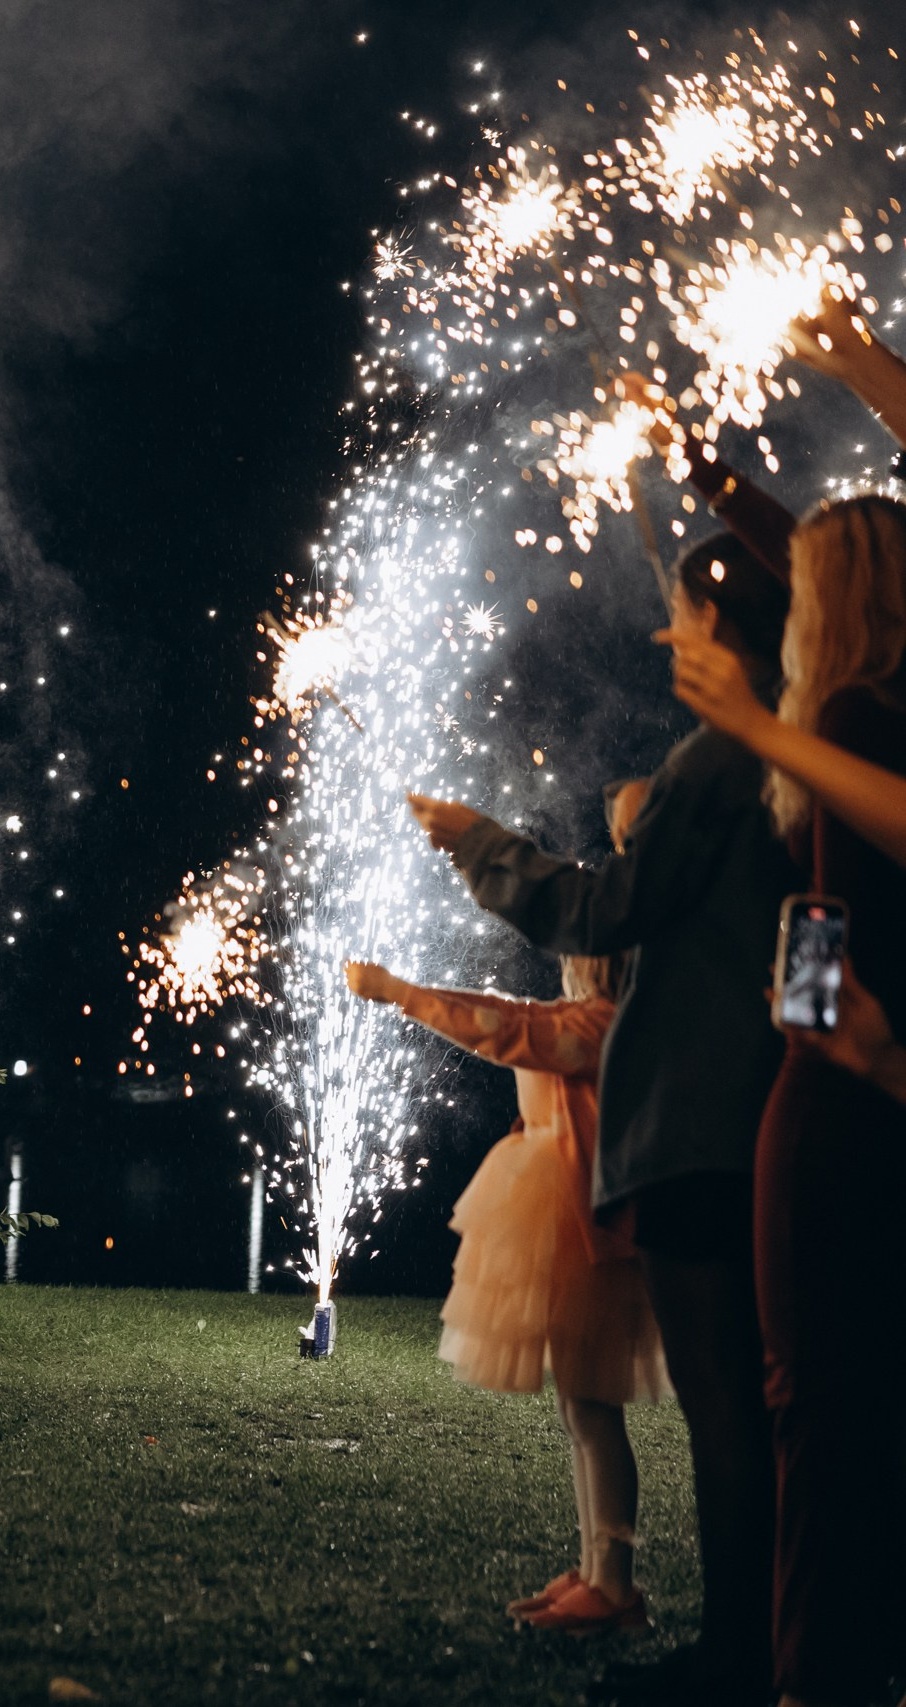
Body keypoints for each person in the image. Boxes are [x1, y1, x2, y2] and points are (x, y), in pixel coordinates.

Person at [401, 531, 796, 1706]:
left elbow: (600, 910)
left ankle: (739, 1659)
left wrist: (479, 844)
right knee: (766, 1399)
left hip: (698, 1120)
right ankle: (790, 1640)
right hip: (773, 1105)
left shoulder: (724, 762)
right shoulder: (801, 759)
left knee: (726, 1401)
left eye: (681, 613)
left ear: (723, 626)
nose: (667, 634)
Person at [346, 944, 665, 1632]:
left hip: (584, 1231)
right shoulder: (589, 1018)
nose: (564, 961)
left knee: (594, 1410)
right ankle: (595, 1571)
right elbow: (511, 1018)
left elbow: (504, 1029)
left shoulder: (600, 1024)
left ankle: (614, 1586)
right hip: (570, 1222)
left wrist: (400, 990)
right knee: (583, 1411)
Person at [737, 494, 906, 1707]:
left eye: (800, 585)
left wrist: (798, 1001)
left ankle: (813, 1682)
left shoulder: (851, 716)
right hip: (882, 1103)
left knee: (815, 1411)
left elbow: (831, 929)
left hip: (842, 1105)